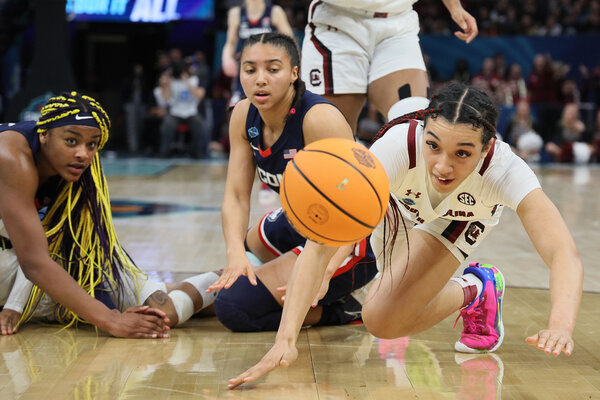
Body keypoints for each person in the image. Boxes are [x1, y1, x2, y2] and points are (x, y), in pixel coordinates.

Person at [228, 82, 583, 389]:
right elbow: (321, 245)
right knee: (384, 319)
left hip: (459, 218)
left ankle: (478, 286)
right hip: (401, 208)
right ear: (423, 131)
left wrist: (560, 325)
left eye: (463, 153)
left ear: (487, 147)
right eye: (434, 146)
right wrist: (286, 339)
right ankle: (476, 290)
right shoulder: (394, 149)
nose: (443, 165)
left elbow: (561, 251)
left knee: (379, 318)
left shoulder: (505, 171)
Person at [0, 92, 220, 336]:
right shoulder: (11, 159)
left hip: (32, 260)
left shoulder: (75, 164)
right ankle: (235, 281)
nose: (83, 153)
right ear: (43, 135)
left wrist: (16, 304)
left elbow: (45, 245)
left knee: (165, 309)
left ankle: (237, 279)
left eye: (91, 144)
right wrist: (111, 320)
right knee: (164, 311)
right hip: (19, 263)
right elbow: (34, 261)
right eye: (71, 141)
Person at [207, 32, 378, 333]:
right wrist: (234, 253)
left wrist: (324, 270)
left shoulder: (318, 120)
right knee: (247, 242)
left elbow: (357, 208)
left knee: (233, 306)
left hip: (353, 233)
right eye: (250, 70)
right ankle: (258, 278)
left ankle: (344, 309)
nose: (260, 79)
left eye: (273, 69)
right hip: (303, 219)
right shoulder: (243, 115)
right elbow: (235, 196)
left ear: (293, 74)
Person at [300, 0, 478, 133]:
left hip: (397, 22)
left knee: (414, 128)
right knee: (331, 139)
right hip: (337, 21)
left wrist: (455, 7)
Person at [222, 0, 294, 106]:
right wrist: (226, 58)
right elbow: (230, 43)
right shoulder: (236, 13)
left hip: (270, 72)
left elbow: (290, 43)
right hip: (247, 72)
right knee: (237, 109)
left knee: (270, 109)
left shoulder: (275, 12)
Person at [154, 61, 209, 158]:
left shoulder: (194, 80)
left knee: (201, 126)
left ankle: (196, 152)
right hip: (175, 113)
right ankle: (165, 152)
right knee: (166, 126)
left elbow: (200, 95)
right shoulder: (172, 81)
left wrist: (186, 81)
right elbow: (166, 99)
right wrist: (167, 84)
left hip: (191, 113)